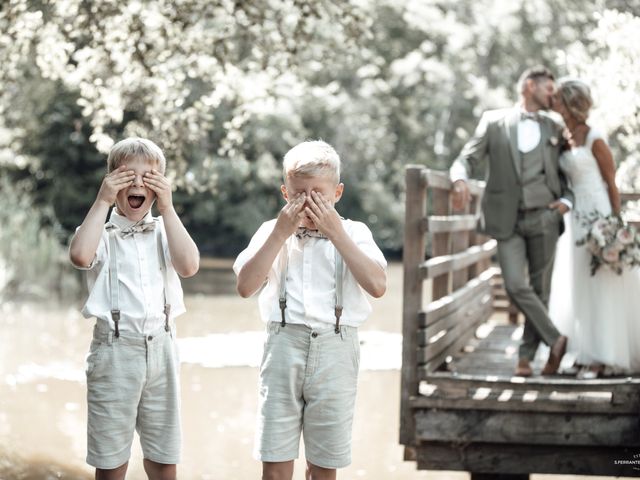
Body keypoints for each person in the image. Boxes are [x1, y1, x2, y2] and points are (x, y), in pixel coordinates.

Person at [233, 140, 387, 480]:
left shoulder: (356, 232)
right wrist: (279, 234)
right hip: (283, 345)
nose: (309, 201)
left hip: (336, 348)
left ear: (337, 193)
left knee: (322, 466)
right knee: (274, 465)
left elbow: (377, 286)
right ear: (285, 194)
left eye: (319, 193)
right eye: (299, 193)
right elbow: (245, 287)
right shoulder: (270, 232)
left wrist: (336, 233)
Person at [69, 137, 199, 480]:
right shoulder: (101, 230)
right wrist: (102, 200)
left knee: (163, 457)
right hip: (114, 352)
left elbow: (188, 266)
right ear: (112, 180)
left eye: (150, 177)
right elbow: (81, 256)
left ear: (161, 187)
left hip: (163, 349)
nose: (139, 183)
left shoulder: (166, 231)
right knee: (112, 460)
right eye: (128, 176)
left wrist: (169, 209)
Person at [450, 66, 573, 377]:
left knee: (540, 288)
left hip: (545, 216)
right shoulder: (494, 121)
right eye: (548, 89)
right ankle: (556, 339)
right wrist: (459, 178)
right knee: (516, 284)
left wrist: (567, 202)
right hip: (506, 219)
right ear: (529, 86)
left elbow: (569, 169)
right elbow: (468, 157)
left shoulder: (555, 126)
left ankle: (525, 358)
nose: (552, 96)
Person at [547, 78, 640, 376]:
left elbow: (611, 183)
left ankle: (604, 354)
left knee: (600, 284)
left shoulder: (594, 138)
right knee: (578, 284)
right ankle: (583, 351)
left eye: (559, 99)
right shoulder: (563, 136)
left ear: (571, 103)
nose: (554, 102)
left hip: (597, 214)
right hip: (572, 219)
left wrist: (613, 225)